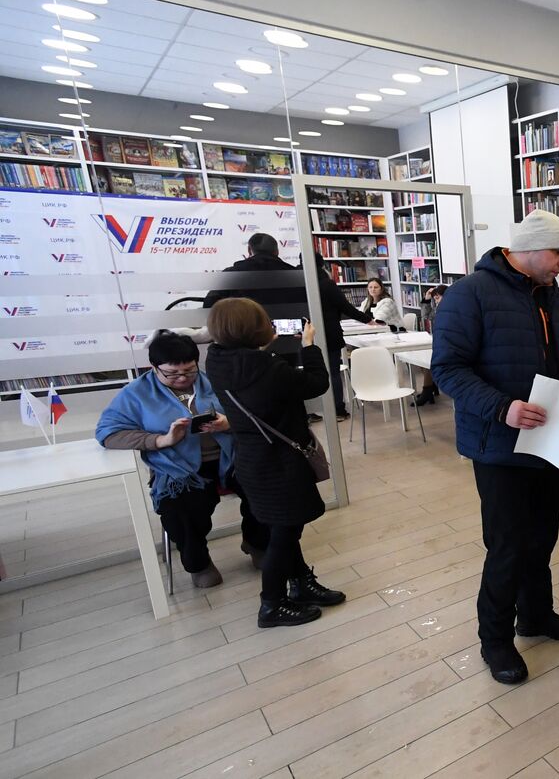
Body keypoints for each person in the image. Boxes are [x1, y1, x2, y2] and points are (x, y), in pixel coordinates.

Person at [430, 210, 559, 685]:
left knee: (542, 536)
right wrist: (503, 408)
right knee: (506, 545)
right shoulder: (470, 295)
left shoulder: (550, 297)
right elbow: (448, 370)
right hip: (498, 444)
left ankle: (536, 616)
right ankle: (494, 639)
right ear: (531, 247)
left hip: (548, 439)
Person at [204, 298, 346, 628]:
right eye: (265, 321)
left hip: (254, 457)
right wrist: (309, 346)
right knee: (284, 533)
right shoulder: (265, 367)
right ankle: (271, 604)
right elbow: (317, 383)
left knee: (285, 527)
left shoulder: (219, 360)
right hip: (279, 460)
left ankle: (300, 585)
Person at [95, 333, 269, 586]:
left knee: (267, 487)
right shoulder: (136, 393)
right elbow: (108, 433)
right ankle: (198, 563)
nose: (182, 378)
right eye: (172, 374)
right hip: (177, 467)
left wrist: (228, 423)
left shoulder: (213, 382)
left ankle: (257, 543)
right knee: (182, 507)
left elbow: (252, 414)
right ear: (153, 368)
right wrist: (160, 440)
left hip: (229, 457)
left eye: (189, 370)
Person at [312, 253, 374, 421]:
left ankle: (312, 411)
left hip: (306, 334)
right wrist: (368, 320)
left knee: (310, 371)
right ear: (322, 265)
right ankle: (338, 409)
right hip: (330, 333)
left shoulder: (299, 282)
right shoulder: (327, 284)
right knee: (332, 372)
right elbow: (346, 307)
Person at [413, 284, 448, 406]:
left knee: (429, 360)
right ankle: (430, 386)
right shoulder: (438, 308)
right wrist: (427, 298)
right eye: (435, 298)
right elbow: (425, 316)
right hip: (438, 340)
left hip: (447, 344)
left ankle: (428, 389)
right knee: (422, 359)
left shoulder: (450, 308)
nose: (436, 301)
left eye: (438, 297)